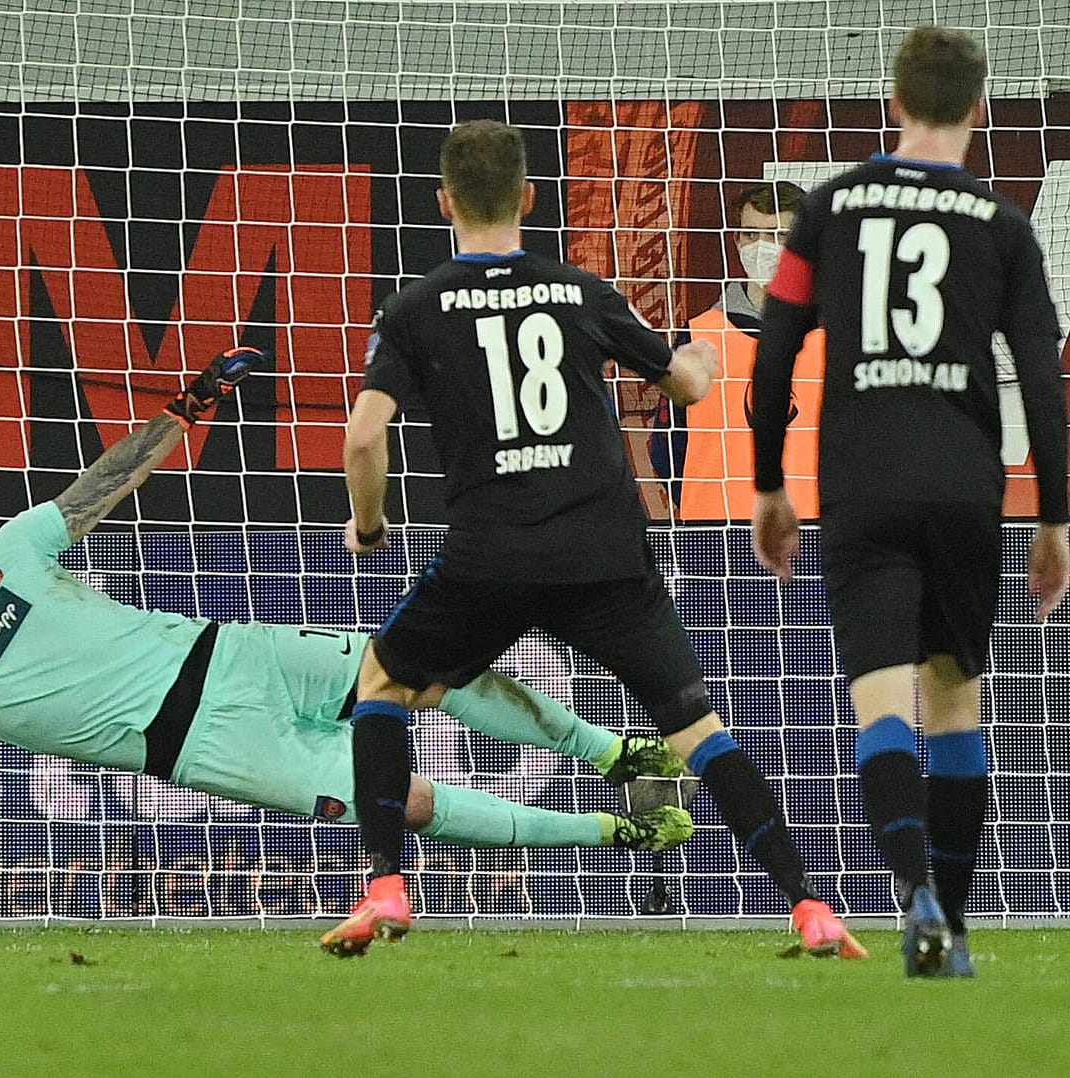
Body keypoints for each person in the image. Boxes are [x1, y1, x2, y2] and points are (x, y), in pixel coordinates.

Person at [0, 346, 693, 880]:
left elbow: (99, 487)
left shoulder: (2, 558)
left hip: (237, 657)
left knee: (423, 669)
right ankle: (618, 823)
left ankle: (613, 752)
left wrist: (184, 410)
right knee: (396, 801)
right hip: (208, 744)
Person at [332, 118, 865, 960]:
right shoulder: (578, 290)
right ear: (529, 198)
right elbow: (684, 386)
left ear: (442, 204)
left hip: (487, 560)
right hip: (604, 557)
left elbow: (363, 437)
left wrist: (369, 525)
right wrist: (702, 356)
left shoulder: (413, 308)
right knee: (697, 731)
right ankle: (808, 905)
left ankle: (386, 887)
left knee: (382, 688)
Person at [750, 26, 1070, 978]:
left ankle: (912, 898)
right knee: (956, 703)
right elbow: (1044, 383)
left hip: (862, 480)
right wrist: (1054, 517)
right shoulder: (1001, 225)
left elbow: (773, 351)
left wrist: (768, 481)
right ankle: (955, 928)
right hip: (965, 483)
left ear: (892, 103)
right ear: (979, 109)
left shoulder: (830, 207)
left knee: (881, 705)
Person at [650, 180, 828, 519]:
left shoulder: (835, 337)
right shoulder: (698, 335)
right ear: (736, 240)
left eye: (778, 235)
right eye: (751, 234)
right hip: (715, 533)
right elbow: (665, 448)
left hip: (813, 529)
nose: (762, 247)